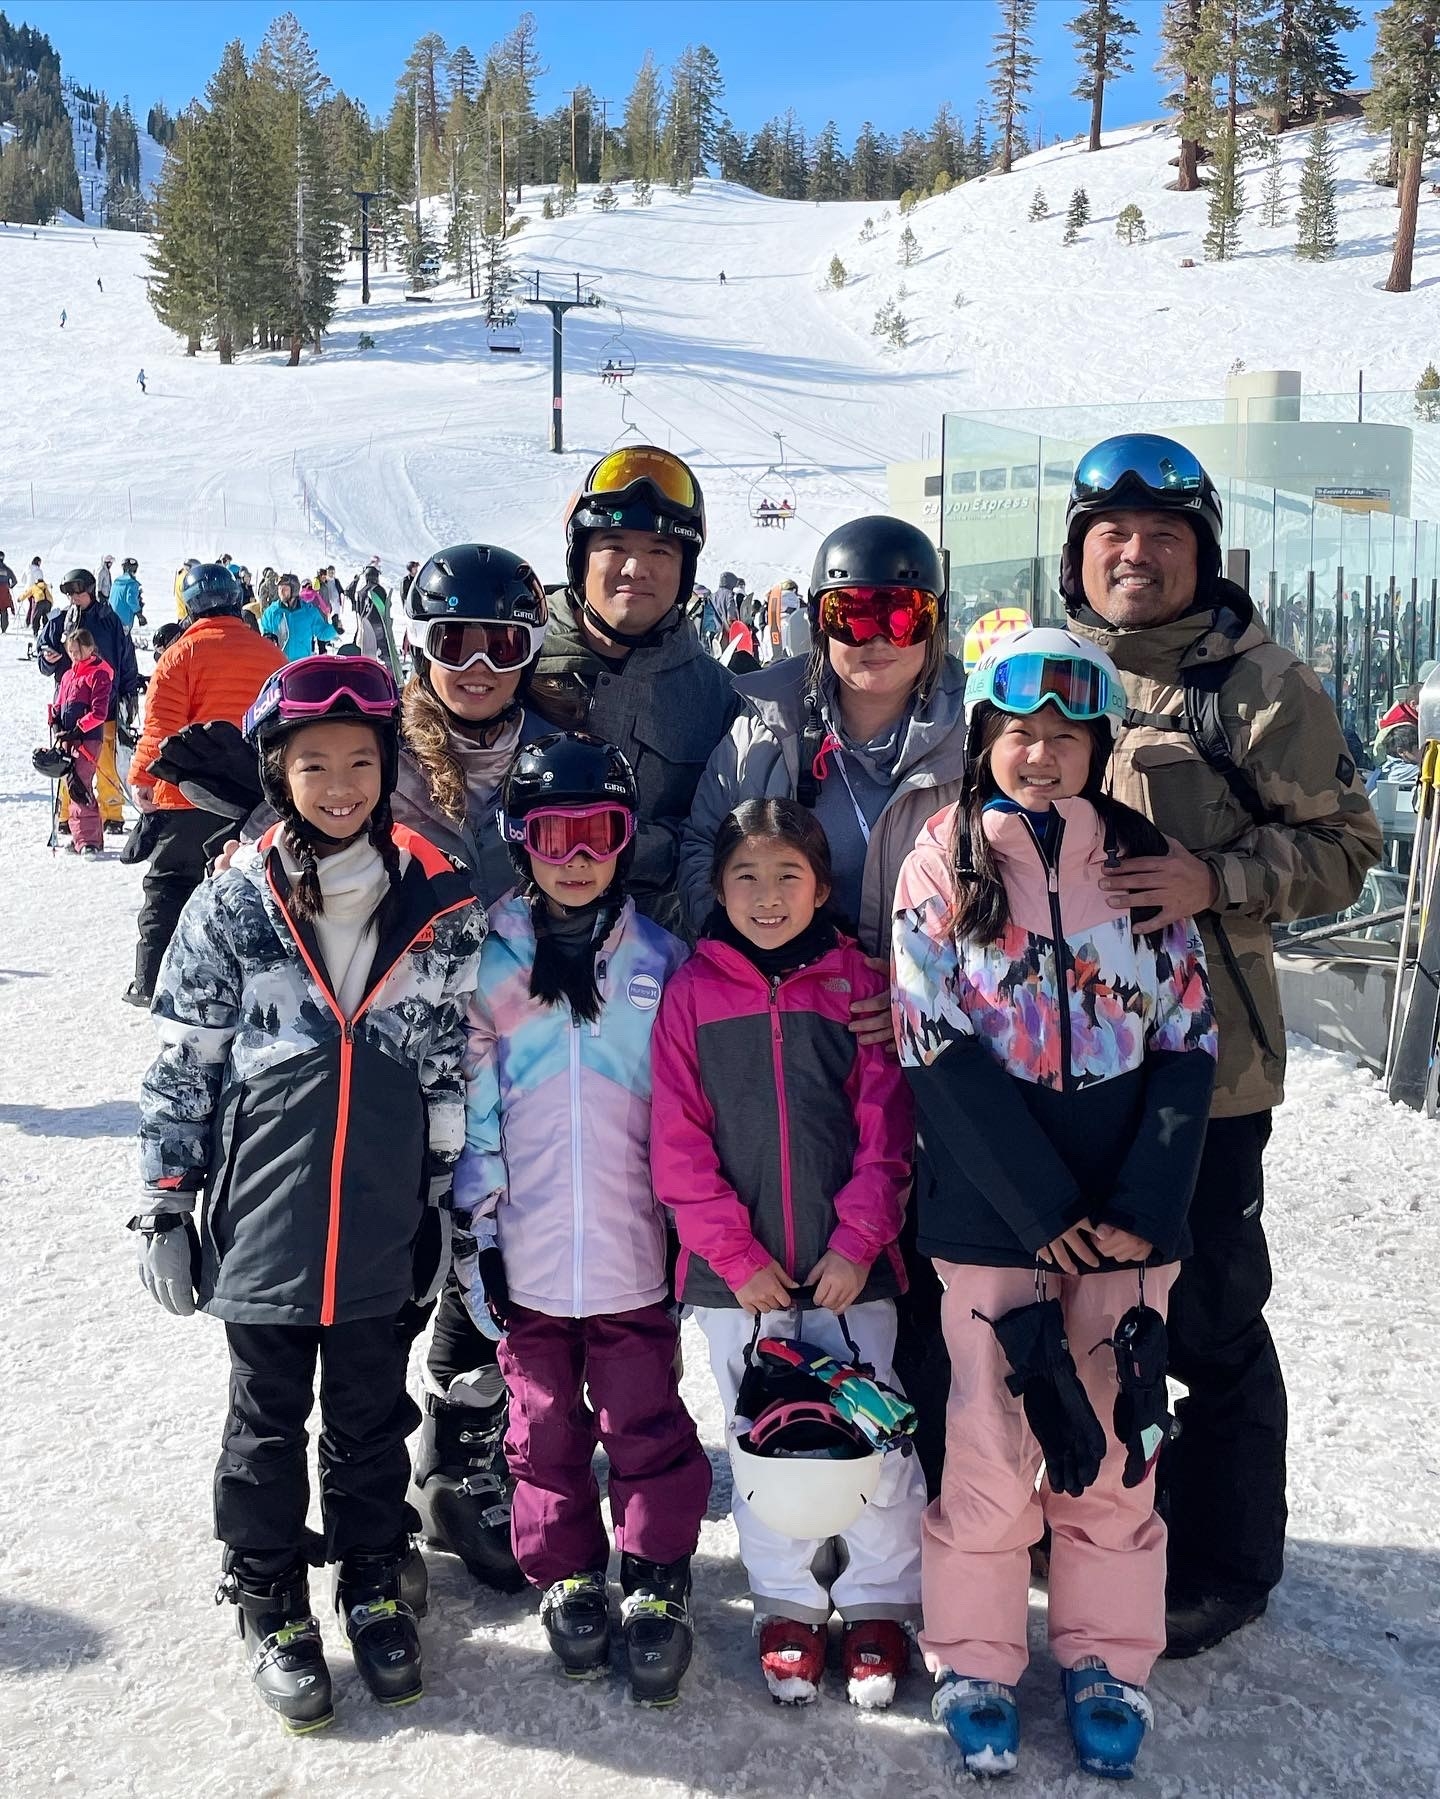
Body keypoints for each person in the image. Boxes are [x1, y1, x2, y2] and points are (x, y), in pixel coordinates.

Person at [1059, 434, 1383, 1657]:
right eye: (1112, 537)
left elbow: (1349, 847)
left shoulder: (1258, 685)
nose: (1135, 557)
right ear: (1078, 555)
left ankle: (1224, 1557)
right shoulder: (1046, 670)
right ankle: (1086, 1521)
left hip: (1210, 1070)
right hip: (1066, 1064)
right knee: (1082, 1300)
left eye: (1162, 538)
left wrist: (1219, 876)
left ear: (1201, 551)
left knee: (1206, 1314)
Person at [892, 625, 1218, 1779]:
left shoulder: (1139, 857)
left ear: (1097, 743)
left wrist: (1144, 1201)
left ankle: (1103, 1658)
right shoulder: (943, 855)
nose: (1041, 755)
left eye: (1066, 734)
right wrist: (1035, 1206)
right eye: (1018, 733)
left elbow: (1188, 1036)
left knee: (1119, 1445)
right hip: (994, 1209)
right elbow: (931, 1038)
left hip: (1125, 1214)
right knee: (987, 1442)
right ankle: (978, 1656)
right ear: (984, 738)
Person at [134, 655, 483, 1733]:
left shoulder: (434, 899)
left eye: (362, 762)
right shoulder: (231, 899)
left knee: (373, 1415)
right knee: (266, 1417)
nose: (341, 783)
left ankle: (374, 1572)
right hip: (266, 1214)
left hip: (382, 1212)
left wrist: (438, 1195)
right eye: (315, 762)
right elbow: (186, 1058)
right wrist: (165, 1201)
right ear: (277, 771)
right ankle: (268, 1587)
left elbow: (443, 1062)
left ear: (391, 769)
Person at [682, 515, 968, 1489]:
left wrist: (925, 993)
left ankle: (932, 1495)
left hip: (935, 1038)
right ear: (817, 618)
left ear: (932, 621)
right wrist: (749, 966)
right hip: (798, 1032)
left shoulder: (973, 737)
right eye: (850, 611)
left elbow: (1017, 889)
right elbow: (698, 853)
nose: (873, 636)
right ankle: (805, 1482)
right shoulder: (766, 724)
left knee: (934, 1265)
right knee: (820, 1231)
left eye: (899, 610)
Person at [453, 732, 711, 1705]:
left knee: (647, 1419)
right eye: (552, 833)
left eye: (597, 831)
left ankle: (654, 1570)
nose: (575, 853)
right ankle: (567, 1564)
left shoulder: (659, 960)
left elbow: (687, 1111)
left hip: (632, 1251)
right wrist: (479, 1229)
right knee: (543, 1428)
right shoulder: (492, 964)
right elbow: (476, 1112)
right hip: (528, 1255)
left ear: (624, 839)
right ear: (520, 840)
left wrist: (687, 1224)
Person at [652, 797, 925, 1709]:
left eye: (788, 875)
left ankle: (880, 1600)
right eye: (746, 876)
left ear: (822, 884)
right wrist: (733, 1257)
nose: (767, 896)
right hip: (740, 1283)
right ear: (717, 888)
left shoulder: (857, 985)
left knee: (872, 1440)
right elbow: (677, 1144)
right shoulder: (693, 990)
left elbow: (885, 1128)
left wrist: (857, 1242)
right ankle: (789, 1605)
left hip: (856, 1273)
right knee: (763, 1446)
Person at [528, 446, 739, 933]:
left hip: (660, 970)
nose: (634, 568)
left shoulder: (717, 698)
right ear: (580, 559)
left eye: (659, 551)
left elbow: (729, 842)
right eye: (615, 545)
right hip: (513, 960)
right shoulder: (514, 665)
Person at [125, 563, 285, 1007]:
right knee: (247, 890)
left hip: (185, 792)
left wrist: (142, 780)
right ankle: (245, 986)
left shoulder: (181, 654)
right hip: (253, 798)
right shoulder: (269, 654)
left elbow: (160, 727)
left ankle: (152, 981)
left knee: (171, 883)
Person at [37, 568, 140, 836]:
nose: (73, 597)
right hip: (70, 707)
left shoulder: (109, 621)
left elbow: (125, 657)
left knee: (106, 760)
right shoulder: (60, 620)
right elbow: (44, 657)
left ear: (90, 589)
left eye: (77, 592)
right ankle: (66, 814)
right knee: (67, 761)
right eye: (69, 593)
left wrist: (129, 691)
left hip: (103, 704)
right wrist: (47, 662)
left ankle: (112, 813)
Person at [47, 626, 115, 855]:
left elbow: (99, 712)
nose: (74, 656)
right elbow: (60, 702)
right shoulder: (69, 674)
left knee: (79, 784)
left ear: (89, 648)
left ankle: (89, 841)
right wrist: (55, 719)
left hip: (87, 738)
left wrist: (77, 730)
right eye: (70, 651)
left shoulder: (99, 674)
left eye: (77, 651)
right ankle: (81, 837)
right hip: (68, 737)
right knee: (71, 783)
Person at [260, 571, 337, 661]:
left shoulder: (308, 611)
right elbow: (265, 633)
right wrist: (267, 638)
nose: (281, 591)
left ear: (294, 590)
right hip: (279, 665)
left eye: (285, 589)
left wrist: (335, 628)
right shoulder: (272, 612)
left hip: (300, 666)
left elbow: (322, 632)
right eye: (279, 588)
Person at [109, 557, 143, 633]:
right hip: (124, 620)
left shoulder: (116, 582)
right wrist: (139, 615)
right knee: (122, 641)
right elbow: (130, 600)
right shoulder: (131, 584)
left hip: (112, 618)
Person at [0, 551, 15, 635]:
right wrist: (10, 586)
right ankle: (4, 629)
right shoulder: (7, 569)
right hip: (4, 592)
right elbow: (14, 581)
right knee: (3, 610)